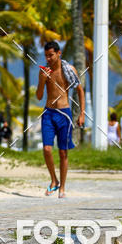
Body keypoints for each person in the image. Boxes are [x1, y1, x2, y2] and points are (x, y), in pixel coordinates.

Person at [36, 41, 85, 198]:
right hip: (48, 113)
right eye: (46, 56)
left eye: (51, 55)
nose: (48, 59)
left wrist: (82, 114)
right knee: (47, 149)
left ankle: (62, 186)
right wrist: (42, 80)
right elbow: (38, 96)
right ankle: (54, 180)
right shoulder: (44, 71)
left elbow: (79, 90)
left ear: (59, 53)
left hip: (64, 113)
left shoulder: (69, 70)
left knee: (63, 152)